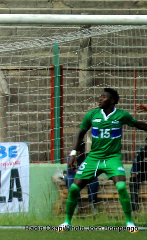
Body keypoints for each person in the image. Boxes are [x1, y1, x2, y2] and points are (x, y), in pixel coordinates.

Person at [59, 88, 147, 233]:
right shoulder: (92, 115)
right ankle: (67, 222)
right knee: (74, 188)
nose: (100, 99)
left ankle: (129, 222)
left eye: (103, 97)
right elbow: (81, 132)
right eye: (100, 97)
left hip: (112, 158)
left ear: (112, 101)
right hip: (93, 158)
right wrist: (73, 153)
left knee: (121, 187)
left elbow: (139, 124)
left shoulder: (121, 115)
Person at [64, 142, 99, 214]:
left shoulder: (87, 157)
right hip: (75, 176)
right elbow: (71, 171)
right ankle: (77, 203)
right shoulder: (71, 157)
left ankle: (93, 202)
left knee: (94, 179)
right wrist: (77, 171)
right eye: (78, 151)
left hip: (85, 176)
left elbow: (91, 170)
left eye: (81, 151)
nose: (79, 153)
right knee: (70, 179)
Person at [129, 139, 147, 211]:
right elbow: (135, 165)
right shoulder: (140, 151)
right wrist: (133, 174)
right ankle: (134, 206)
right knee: (133, 181)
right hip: (142, 173)